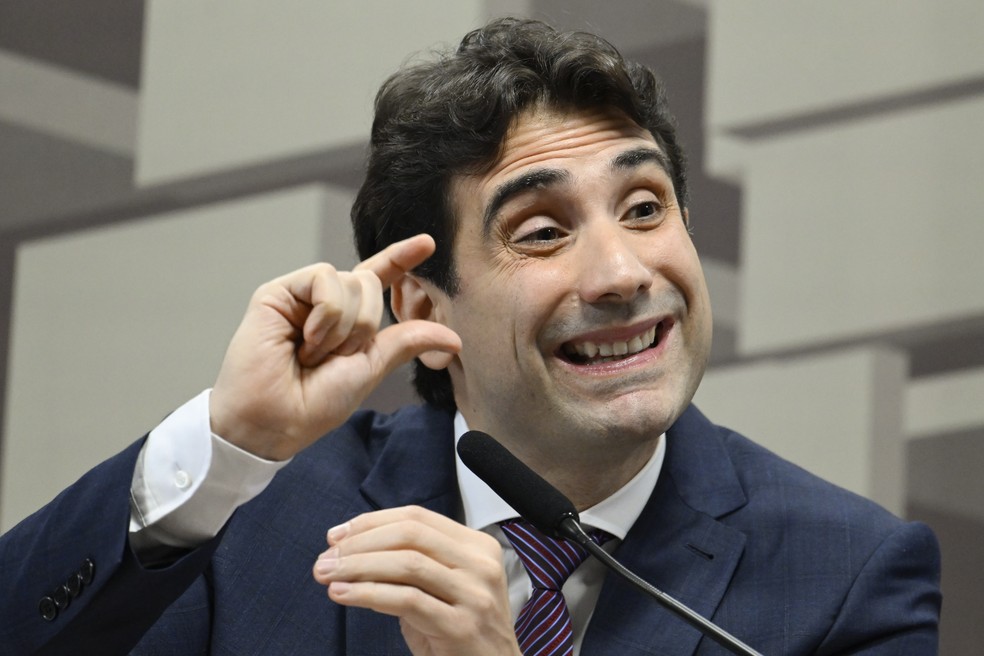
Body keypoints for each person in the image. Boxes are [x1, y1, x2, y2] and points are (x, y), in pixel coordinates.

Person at [0, 17, 940, 656]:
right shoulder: (261, 517)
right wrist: (230, 439)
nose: (622, 273)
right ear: (423, 307)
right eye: (541, 231)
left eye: (646, 207)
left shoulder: (851, 578)